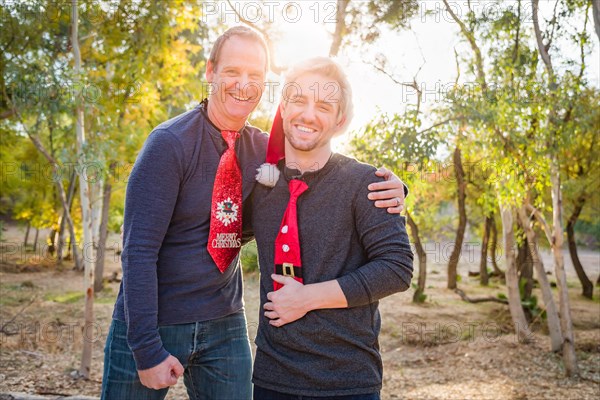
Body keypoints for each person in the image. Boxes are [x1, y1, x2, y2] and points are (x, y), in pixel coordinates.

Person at [101, 27, 408, 400]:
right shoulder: (169, 144)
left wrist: (394, 187)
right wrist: (146, 347)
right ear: (211, 71)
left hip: (224, 323)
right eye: (233, 72)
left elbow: (323, 171)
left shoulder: (265, 150)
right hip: (156, 320)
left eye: (255, 76)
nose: (243, 85)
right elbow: (138, 250)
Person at [250, 57, 414, 399]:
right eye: (299, 100)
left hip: (346, 380)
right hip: (272, 376)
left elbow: (397, 268)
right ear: (283, 106)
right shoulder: (261, 184)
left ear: (340, 121)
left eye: (323, 106)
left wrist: (306, 299)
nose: (308, 114)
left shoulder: (367, 184)